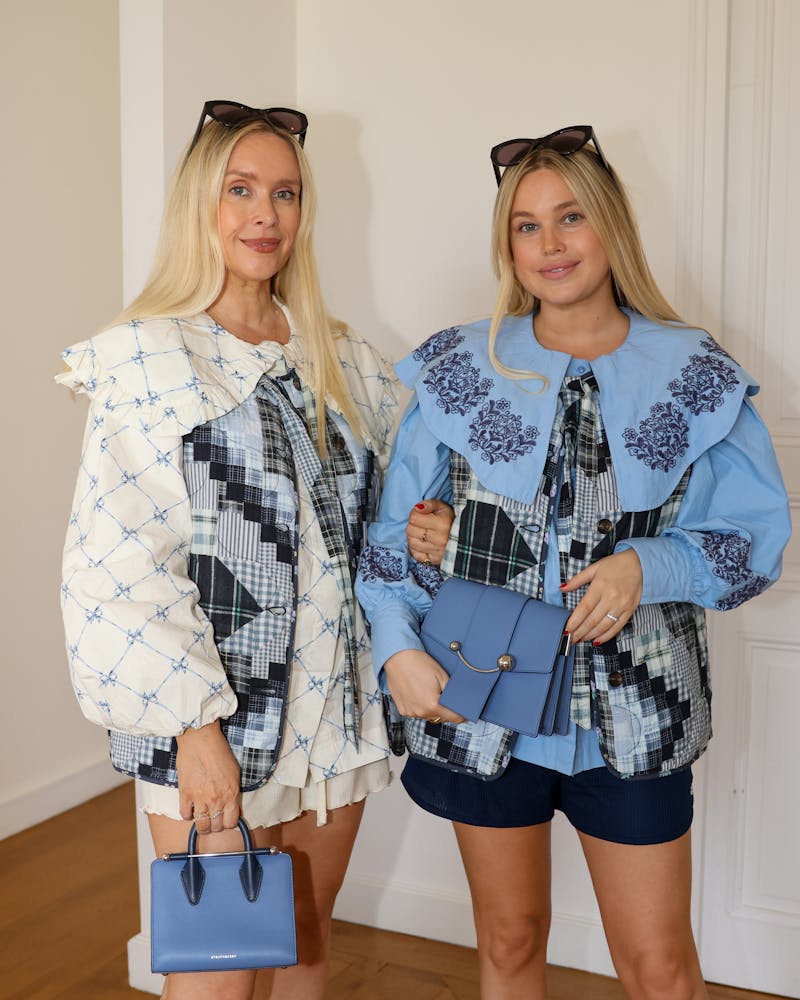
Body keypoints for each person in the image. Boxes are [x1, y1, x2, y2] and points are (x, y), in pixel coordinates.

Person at [356, 125, 791, 999]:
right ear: (506, 245)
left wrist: (651, 566)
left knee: (659, 967)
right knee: (510, 943)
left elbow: (753, 543)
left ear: (612, 228)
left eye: (571, 218)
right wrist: (398, 646)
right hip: (480, 702)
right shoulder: (459, 367)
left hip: (635, 714)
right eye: (526, 226)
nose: (550, 246)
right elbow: (393, 533)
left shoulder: (695, 371)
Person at [58, 100, 451, 1000]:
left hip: (335, 720)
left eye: (285, 192)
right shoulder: (149, 358)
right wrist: (195, 730)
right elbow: (118, 563)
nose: (264, 214)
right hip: (216, 720)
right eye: (240, 190)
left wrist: (428, 531)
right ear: (202, 206)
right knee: (221, 976)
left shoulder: (342, 359)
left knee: (305, 946)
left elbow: (389, 521)